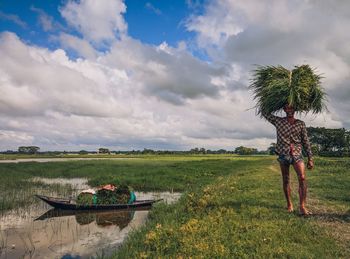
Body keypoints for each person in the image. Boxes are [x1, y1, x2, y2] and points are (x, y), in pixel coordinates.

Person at [263, 104, 314, 215]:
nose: (289, 110)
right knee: (286, 179)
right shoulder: (278, 121)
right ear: (284, 109)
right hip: (283, 154)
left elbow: (306, 141)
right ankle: (289, 204)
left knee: (302, 178)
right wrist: (272, 103)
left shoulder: (300, 124)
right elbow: (264, 113)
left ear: (294, 109)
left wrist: (310, 158)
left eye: (291, 108)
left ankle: (302, 206)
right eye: (287, 108)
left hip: (297, 154)